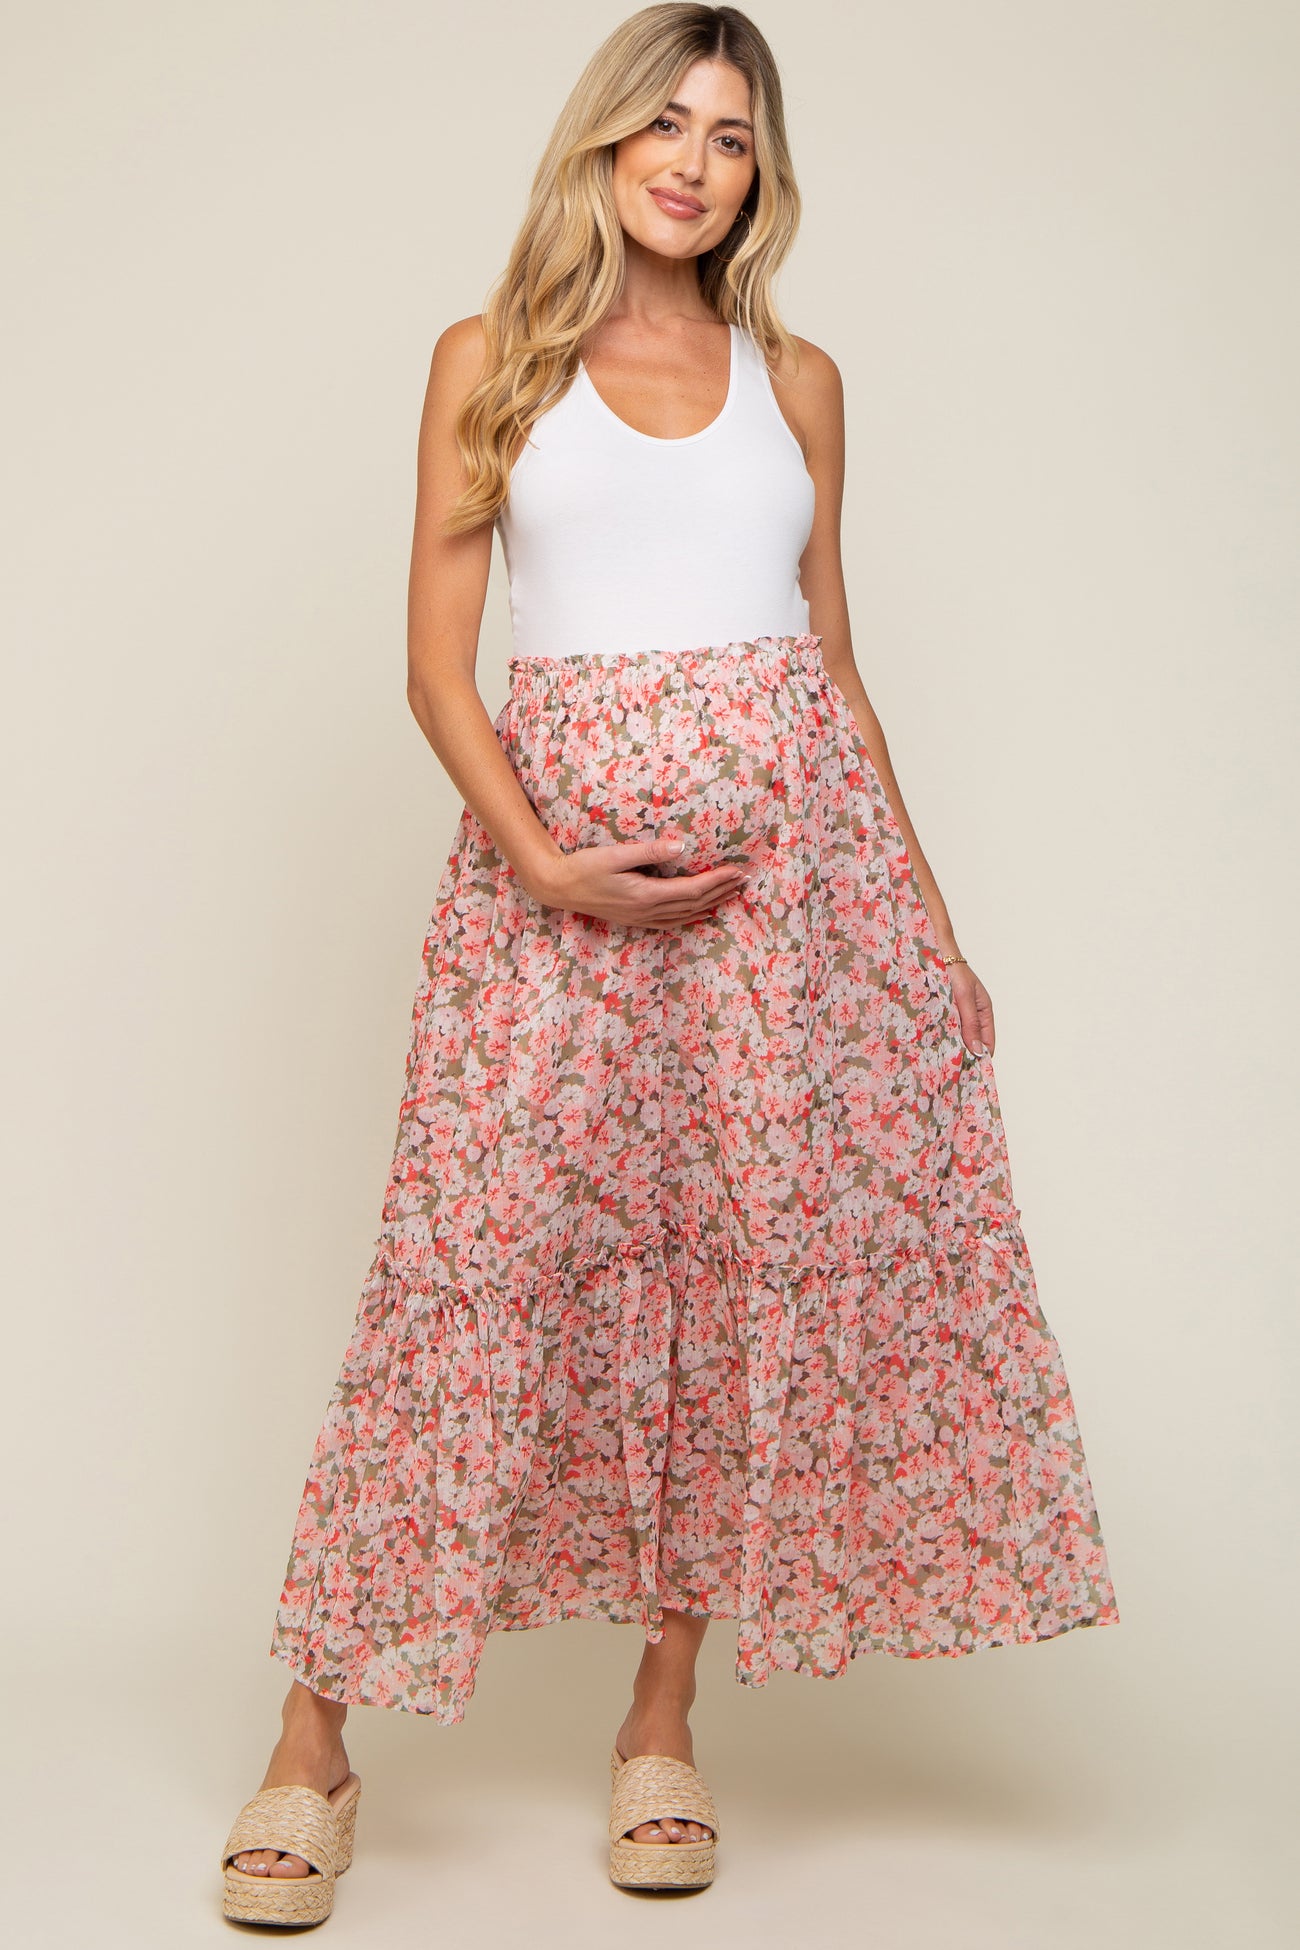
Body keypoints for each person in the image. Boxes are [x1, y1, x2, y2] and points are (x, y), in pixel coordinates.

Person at [219, 2, 1120, 1921]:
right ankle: (313, 1737)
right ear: (605, 142)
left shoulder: (802, 384)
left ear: (760, 172)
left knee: (742, 1279)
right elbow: (436, 669)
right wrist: (547, 859)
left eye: (732, 135)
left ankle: (661, 1718)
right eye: (667, 125)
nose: (694, 164)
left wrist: (935, 931)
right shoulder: (492, 357)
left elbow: (835, 670)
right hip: (547, 900)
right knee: (462, 1271)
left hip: (791, 912)